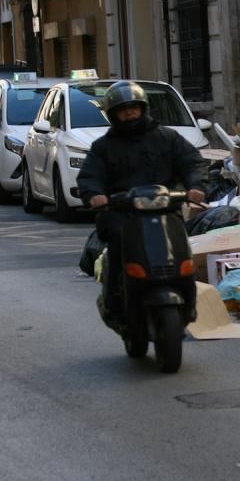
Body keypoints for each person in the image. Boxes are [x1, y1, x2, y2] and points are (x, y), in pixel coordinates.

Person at [77, 81, 207, 328]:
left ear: (143, 108)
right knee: (116, 249)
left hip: (165, 209)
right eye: (122, 109)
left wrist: (196, 186)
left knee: (182, 250)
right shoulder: (103, 147)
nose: (129, 113)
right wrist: (95, 195)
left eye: (133, 108)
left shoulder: (167, 137)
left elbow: (192, 162)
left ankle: (189, 303)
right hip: (122, 214)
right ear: (113, 114)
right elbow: (90, 175)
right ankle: (114, 301)